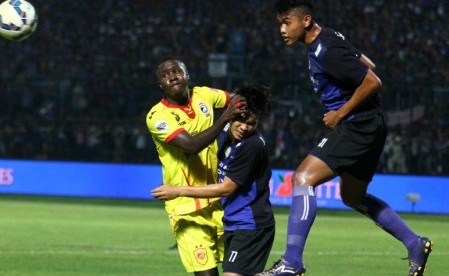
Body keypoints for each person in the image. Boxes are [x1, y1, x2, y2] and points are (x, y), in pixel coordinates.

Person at [258, 1, 433, 276]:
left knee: (302, 178)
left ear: (305, 21)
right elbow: (368, 63)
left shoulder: (326, 49)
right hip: (371, 125)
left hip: (355, 125)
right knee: (352, 196)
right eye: (280, 23)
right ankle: (414, 243)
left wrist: (340, 113)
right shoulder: (330, 37)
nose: (282, 29)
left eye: (286, 22)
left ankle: (292, 261)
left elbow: (372, 80)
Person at [152, 83, 275, 276]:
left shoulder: (251, 146)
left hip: (251, 224)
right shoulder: (226, 134)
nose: (244, 127)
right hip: (232, 221)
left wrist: (178, 190)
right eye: (241, 120)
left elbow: (226, 188)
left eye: (251, 123)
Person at [146, 58, 245, 276]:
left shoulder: (204, 95)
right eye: (165, 75)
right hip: (185, 208)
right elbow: (191, 146)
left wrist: (238, 120)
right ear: (160, 84)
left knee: (238, 271)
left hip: (219, 203)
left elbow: (238, 100)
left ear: (186, 75)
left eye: (176, 71)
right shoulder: (157, 116)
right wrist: (225, 119)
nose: (172, 76)